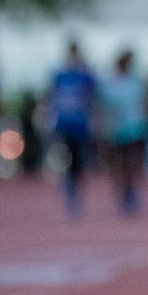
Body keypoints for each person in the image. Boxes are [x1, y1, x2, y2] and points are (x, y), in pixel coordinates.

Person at [50, 41, 98, 216]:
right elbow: (52, 97)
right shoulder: (60, 75)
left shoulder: (84, 75)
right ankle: (69, 186)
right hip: (64, 123)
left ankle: (76, 190)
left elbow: (93, 96)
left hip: (80, 124)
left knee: (79, 159)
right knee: (66, 157)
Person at [99, 49, 148, 215]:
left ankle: (130, 192)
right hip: (115, 131)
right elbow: (103, 109)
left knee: (131, 164)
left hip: (134, 130)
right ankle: (123, 192)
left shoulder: (136, 82)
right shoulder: (110, 84)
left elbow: (144, 104)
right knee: (118, 166)